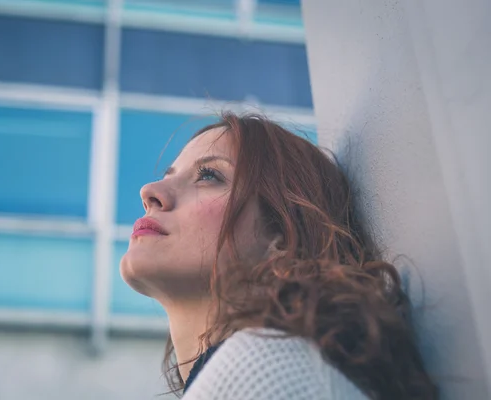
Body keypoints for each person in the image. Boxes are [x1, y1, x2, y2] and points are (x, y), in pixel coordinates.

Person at [120, 113, 437, 399]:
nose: (149, 191)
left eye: (209, 176)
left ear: (283, 237)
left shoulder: (260, 369)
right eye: (167, 175)